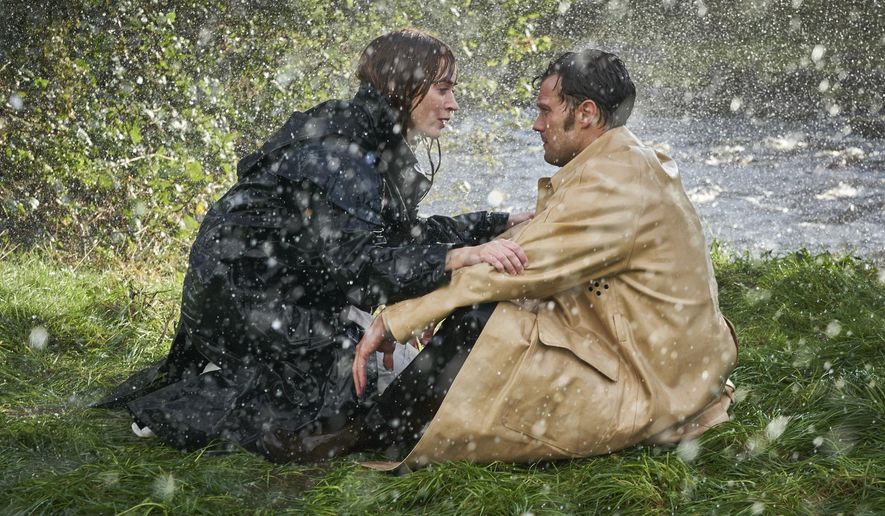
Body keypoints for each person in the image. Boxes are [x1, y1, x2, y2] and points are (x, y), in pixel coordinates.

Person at [94, 29, 532, 462]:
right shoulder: (344, 149)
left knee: (367, 378)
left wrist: (494, 224)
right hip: (238, 296)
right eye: (443, 89)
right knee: (349, 387)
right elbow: (360, 268)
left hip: (276, 289)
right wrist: (455, 258)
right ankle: (194, 399)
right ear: (403, 85)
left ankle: (253, 369)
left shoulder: (372, 135)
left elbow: (400, 236)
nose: (453, 104)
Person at [353, 49, 739, 468]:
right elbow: (533, 245)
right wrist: (444, 290)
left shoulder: (616, 185)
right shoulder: (622, 163)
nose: (537, 125)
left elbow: (518, 266)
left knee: (485, 315)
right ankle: (388, 421)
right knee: (488, 299)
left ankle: (381, 430)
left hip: (654, 388)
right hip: (672, 373)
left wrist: (397, 320)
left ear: (586, 113)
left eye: (545, 111)